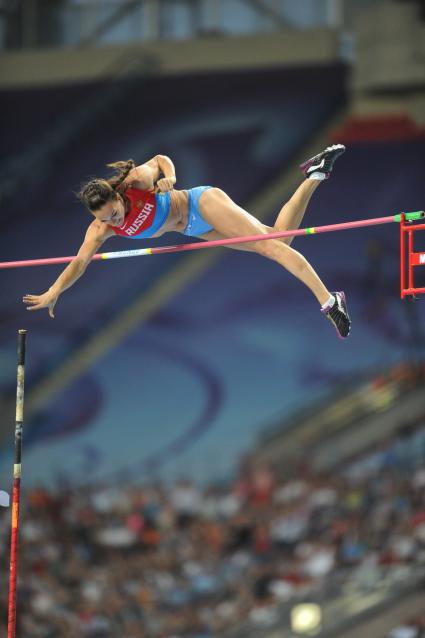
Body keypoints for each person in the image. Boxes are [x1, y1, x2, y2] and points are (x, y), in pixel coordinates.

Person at [23, 145, 351, 338]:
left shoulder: (135, 182)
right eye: (106, 219)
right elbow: (80, 262)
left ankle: (328, 300)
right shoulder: (100, 229)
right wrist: (55, 291)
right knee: (282, 239)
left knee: (270, 245)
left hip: (200, 203)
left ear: (118, 196)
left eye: (115, 212)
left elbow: (161, 159)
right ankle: (315, 174)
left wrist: (170, 178)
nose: (114, 221)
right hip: (194, 229)